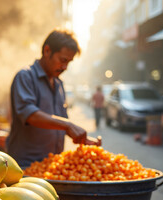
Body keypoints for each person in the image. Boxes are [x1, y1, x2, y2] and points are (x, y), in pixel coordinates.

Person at [6, 29, 100, 169]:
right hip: (25, 166)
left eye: (68, 62)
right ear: (47, 50)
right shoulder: (25, 76)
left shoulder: (59, 84)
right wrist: (68, 125)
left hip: (52, 166)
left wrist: (83, 139)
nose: (65, 67)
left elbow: (59, 123)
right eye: (62, 60)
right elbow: (29, 114)